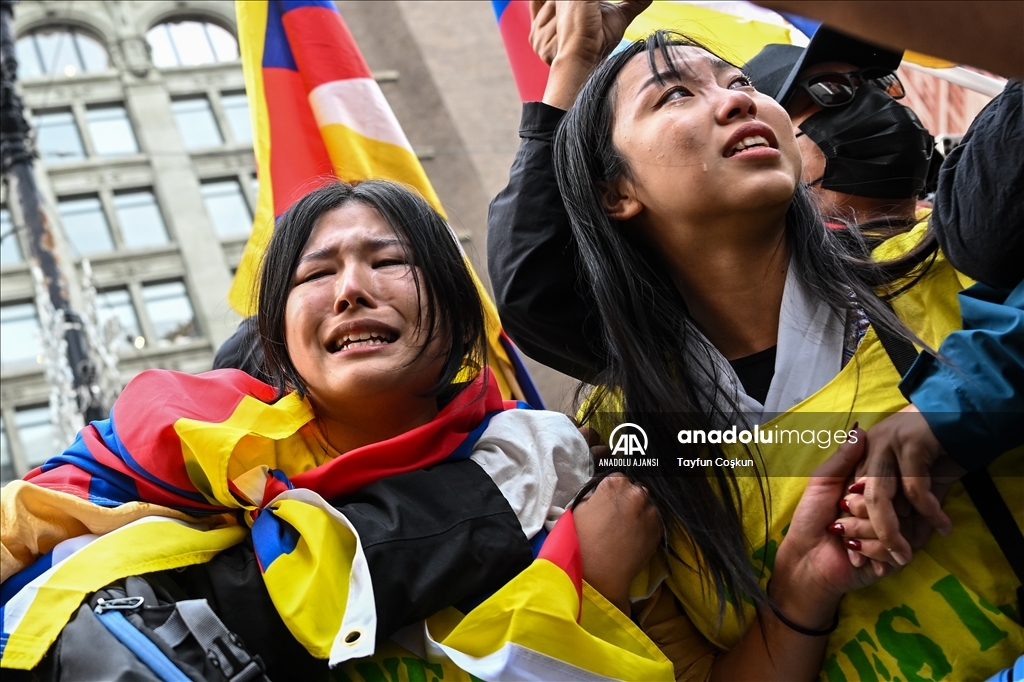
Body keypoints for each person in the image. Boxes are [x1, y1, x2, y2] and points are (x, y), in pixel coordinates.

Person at [488, 2, 1022, 679]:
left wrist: (958, 414)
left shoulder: (951, 265)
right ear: (615, 192)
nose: (736, 102)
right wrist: (803, 587)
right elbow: (532, 284)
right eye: (676, 94)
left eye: (740, 83)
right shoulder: (623, 453)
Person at [0, 180, 599, 679]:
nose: (350, 291)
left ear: (461, 309)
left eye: (389, 262)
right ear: (278, 334)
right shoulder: (183, 435)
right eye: (316, 274)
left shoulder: (556, 477)